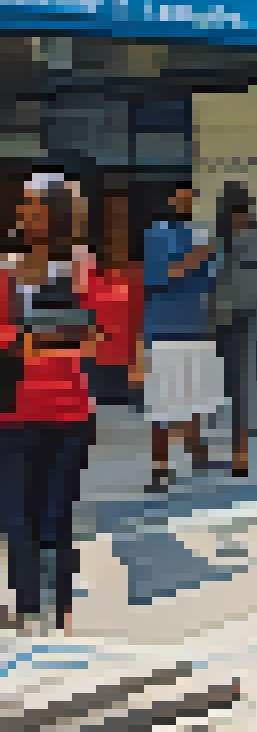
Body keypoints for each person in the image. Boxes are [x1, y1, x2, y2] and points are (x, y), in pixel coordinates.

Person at [1, 175, 101, 633]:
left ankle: (50, 608)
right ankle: (37, 607)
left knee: (45, 513)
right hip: (23, 410)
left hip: (56, 409)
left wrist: (33, 342)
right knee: (28, 514)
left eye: (31, 207)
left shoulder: (77, 270)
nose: (23, 214)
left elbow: (98, 340)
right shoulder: (10, 269)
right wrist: (48, 340)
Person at [144, 183, 221, 490]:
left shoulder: (201, 233)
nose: (187, 201)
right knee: (163, 403)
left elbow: (210, 280)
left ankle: (197, 454)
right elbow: (163, 274)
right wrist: (198, 256)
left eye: (192, 196)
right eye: (182, 196)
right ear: (172, 198)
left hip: (198, 326)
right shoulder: (157, 232)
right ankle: (160, 467)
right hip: (165, 330)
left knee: (197, 398)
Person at [211, 183, 257, 478]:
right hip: (224, 315)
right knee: (230, 384)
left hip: (241, 316)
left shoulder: (245, 237)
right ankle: (234, 451)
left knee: (240, 384)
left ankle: (240, 453)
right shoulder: (239, 236)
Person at [86, 191, 140, 410]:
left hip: (126, 371)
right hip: (93, 369)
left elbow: (139, 322)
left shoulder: (137, 274)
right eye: (111, 221)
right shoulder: (87, 272)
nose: (116, 230)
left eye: (121, 221)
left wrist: (138, 364)